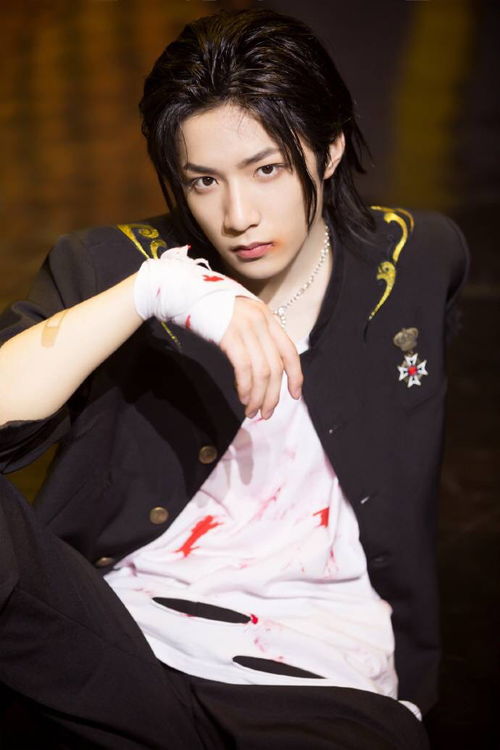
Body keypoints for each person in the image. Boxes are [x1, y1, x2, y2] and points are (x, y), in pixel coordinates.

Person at [0, 7, 468, 749]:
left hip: (323, 678)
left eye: (267, 168)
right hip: (126, 648)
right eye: (204, 180)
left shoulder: (415, 261)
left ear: (331, 148)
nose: (238, 215)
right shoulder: (116, 267)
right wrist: (154, 292)